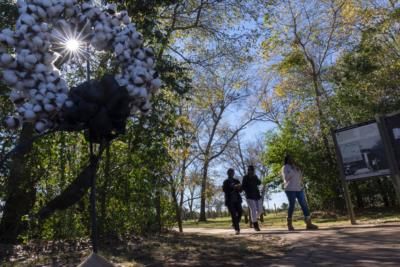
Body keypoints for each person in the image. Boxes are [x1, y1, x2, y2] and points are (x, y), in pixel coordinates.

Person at [281, 155, 318, 231]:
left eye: (292, 158)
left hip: (298, 188)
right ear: (287, 160)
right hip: (290, 189)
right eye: (290, 158)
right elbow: (286, 178)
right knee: (292, 205)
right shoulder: (285, 167)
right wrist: (292, 171)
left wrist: (299, 170)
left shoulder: (295, 167)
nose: (292, 160)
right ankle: (289, 224)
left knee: (304, 204)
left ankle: (309, 224)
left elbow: (300, 177)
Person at [242, 165, 262, 231]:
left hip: (257, 195)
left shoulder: (255, 177)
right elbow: (243, 186)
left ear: (253, 171)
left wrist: (255, 177)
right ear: (248, 170)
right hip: (249, 196)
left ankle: (252, 219)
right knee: (253, 210)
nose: (250, 171)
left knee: (260, 211)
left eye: (251, 170)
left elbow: (259, 183)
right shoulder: (245, 177)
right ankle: (255, 225)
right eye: (249, 170)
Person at [223, 168, 243, 235]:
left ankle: (234, 223)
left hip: (237, 200)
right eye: (230, 172)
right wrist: (232, 187)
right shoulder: (225, 182)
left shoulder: (236, 180)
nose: (231, 174)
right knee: (233, 215)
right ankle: (237, 229)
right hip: (229, 201)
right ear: (228, 173)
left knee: (240, 212)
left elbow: (241, 190)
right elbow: (224, 190)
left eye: (232, 172)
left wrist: (239, 187)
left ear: (233, 173)